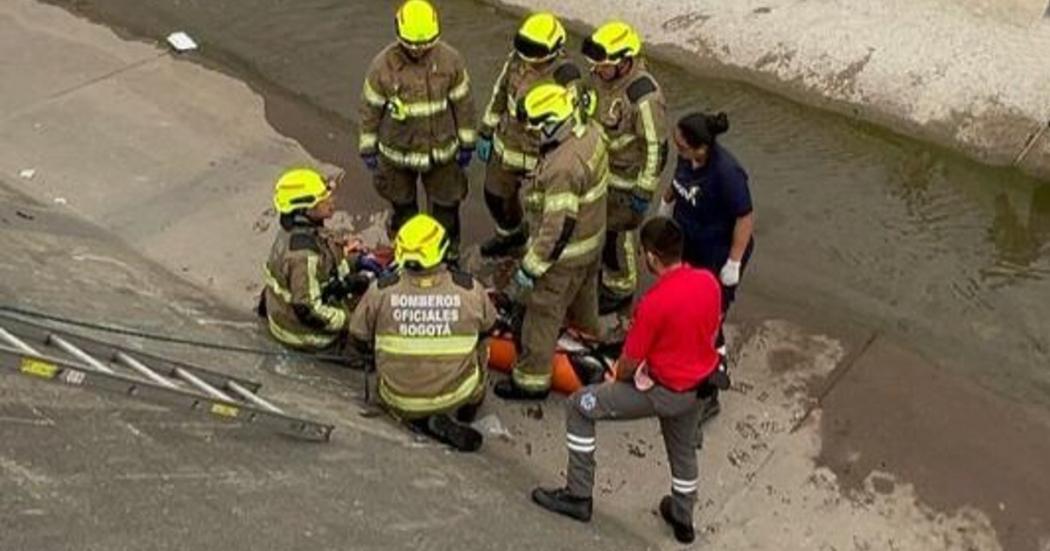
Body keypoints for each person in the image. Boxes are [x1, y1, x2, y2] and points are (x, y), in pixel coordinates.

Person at [531, 217, 721, 544]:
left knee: (580, 407)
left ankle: (578, 495)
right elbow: (710, 331)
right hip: (699, 387)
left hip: (663, 389)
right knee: (683, 450)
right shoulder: (708, 282)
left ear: (650, 256)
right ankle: (683, 516)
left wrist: (622, 380)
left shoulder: (654, 305)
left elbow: (627, 366)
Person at [493, 83, 608, 401]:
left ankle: (531, 381)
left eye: (535, 129)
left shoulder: (562, 167)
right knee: (583, 296)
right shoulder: (591, 132)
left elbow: (557, 227)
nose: (531, 135)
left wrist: (531, 268)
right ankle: (587, 337)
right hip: (590, 241)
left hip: (563, 256)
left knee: (540, 315)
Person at [349, 214, 498, 452]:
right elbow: (490, 326)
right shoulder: (470, 289)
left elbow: (358, 338)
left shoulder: (381, 290)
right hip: (457, 395)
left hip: (396, 396)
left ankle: (418, 415)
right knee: (481, 343)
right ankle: (470, 403)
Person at [358, 0, 476, 262]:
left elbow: (464, 104)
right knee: (403, 208)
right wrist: (367, 148)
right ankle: (409, 253)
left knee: (446, 206)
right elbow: (370, 110)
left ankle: (447, 254)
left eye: (425, 44)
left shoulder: (450, 60)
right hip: (397, 154)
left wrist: (467, 142)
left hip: (442, 152)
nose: (419, 50)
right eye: (412, 44)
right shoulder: (382, 67)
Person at [659, 111, 754, 419]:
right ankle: (681, 356)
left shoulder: (727, 173)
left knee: (709, 320)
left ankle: (710, 391)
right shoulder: (687, 160)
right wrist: (666, 205)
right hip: (689, 243)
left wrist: (734, 262)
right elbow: (676, 183)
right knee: (682, 307)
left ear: (701, 147)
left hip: (717, 254)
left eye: (683, 147)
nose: (679, 151)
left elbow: (745, 217)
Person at [477, 12, 586, 258]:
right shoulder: (517, 59)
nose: (529, 60)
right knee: (495, 196)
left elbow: (578, 124)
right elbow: (500, 93)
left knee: (544, 213)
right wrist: (485, 130)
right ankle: (511, 236)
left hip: (542, 156)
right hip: (507, 146)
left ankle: (538, 257)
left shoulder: (567, 76)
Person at [582, 21, 668, 316]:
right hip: (600, 173)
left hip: (625, 182)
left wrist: (644, 189)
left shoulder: (643, 96)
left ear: (624, 62)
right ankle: (606, 278)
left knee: (619, 238)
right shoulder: (602, 81)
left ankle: (621, 290)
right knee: (602, 233)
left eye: (603, 66)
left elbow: (656, 147)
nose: (596, 71)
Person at [262, 168, 372, 351]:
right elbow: (308, 310)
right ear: (305, 208)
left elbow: (324, 264)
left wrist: (355, 263)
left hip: (288, 313)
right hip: (305, 335)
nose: (331, 200)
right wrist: (352, 321)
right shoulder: (304, 256)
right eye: (323, 197)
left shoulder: (295, 232)